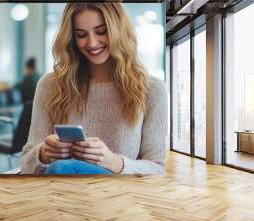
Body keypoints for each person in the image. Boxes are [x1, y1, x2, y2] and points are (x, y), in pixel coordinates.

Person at [20, 3, 168, 175]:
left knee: (62, 168)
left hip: (120, 196)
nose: (91, 42)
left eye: (101, 31)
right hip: (60, 194)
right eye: (81, 35)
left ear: (118, 30)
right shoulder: (50, 85)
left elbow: (157, 169)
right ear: (71, 38)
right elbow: (25, 164)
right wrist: (44, 154)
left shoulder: (152, 89)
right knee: (60, 168)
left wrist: (115, 162)